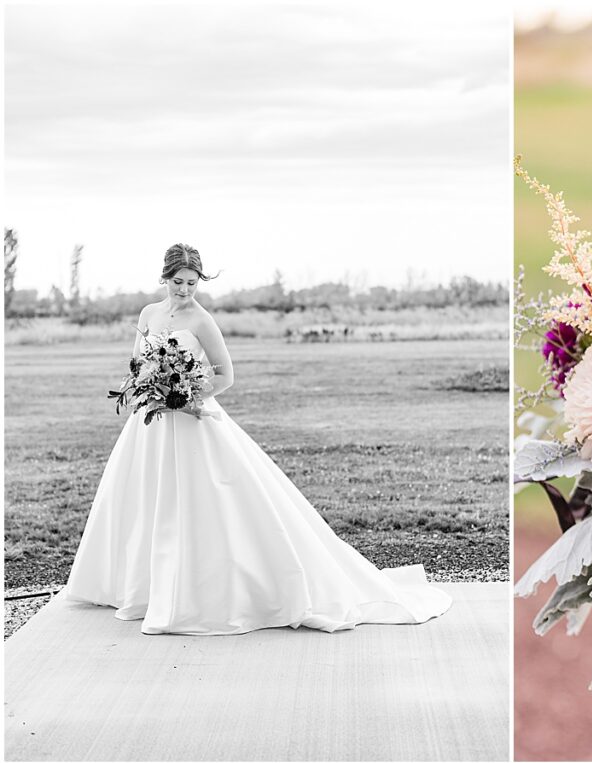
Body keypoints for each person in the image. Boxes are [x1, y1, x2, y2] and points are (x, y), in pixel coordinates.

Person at [63, 243, 452, 635]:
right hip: (151, 425)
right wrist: (152, 388)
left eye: (192, 283)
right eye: (178, 282)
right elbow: (138, 363)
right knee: (146, 502)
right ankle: (142, 588)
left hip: (192, 421)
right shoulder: (149, 313)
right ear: (165, 278)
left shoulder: (202, 320)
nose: (184, 290)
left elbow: (225, 376)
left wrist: (183, 397)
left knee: (201, 506)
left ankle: (210, 591)